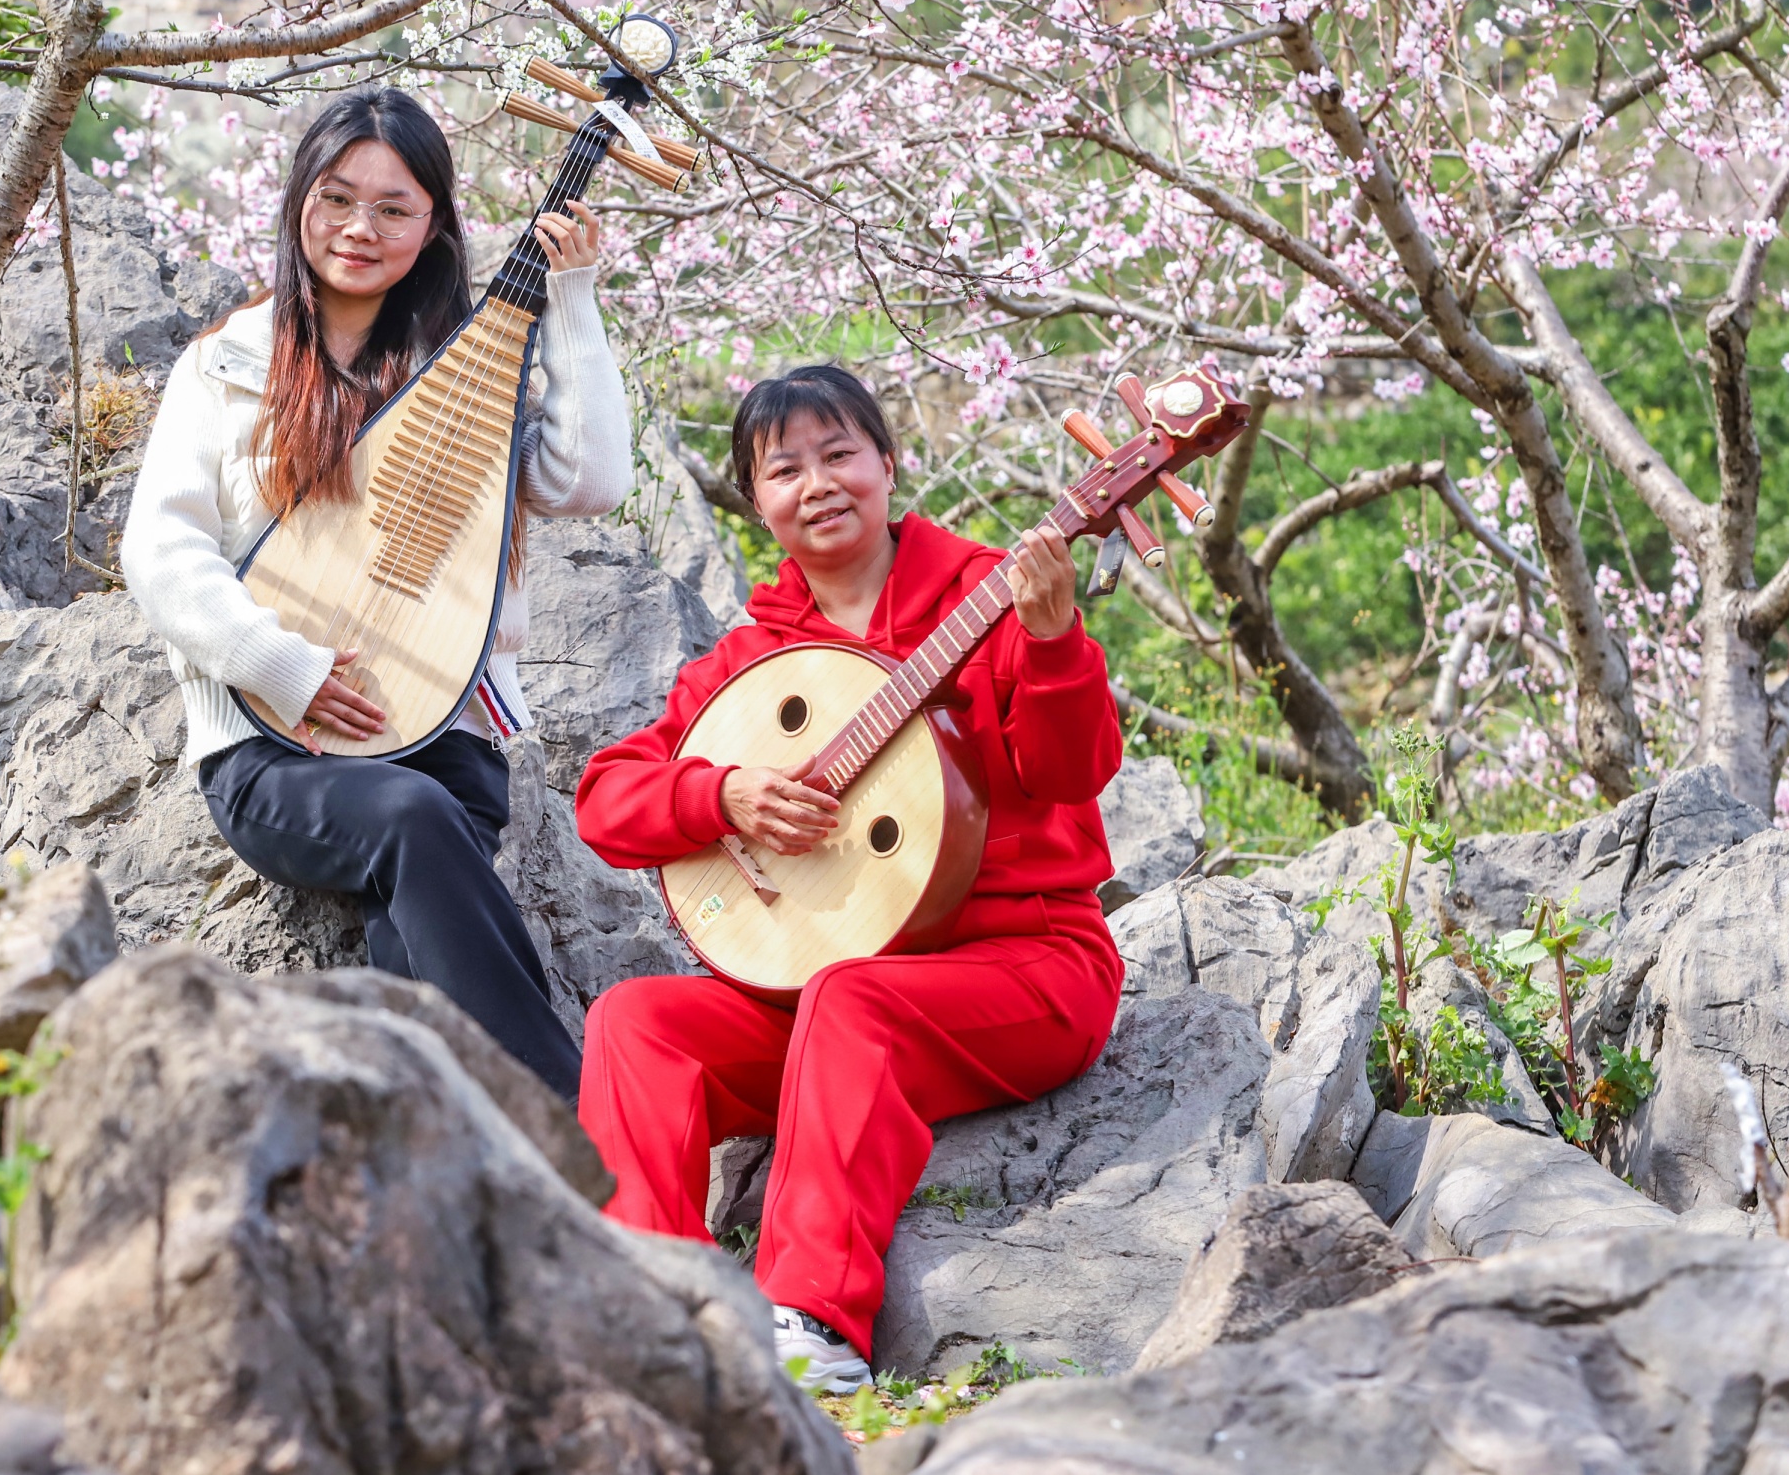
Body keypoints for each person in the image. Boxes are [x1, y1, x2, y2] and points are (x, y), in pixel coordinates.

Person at [571, 364, 1124, 1392]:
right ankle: (644, 1316)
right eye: (785, 468)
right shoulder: (751, 660)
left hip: (1026, 968)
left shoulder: (986, 594)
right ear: (753, 498)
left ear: (887, 463)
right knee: (635, 1022)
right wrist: (723, 796)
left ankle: (812, 1328)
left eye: (840, 454)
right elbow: (607, 797)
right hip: (829, 997)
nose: (818, 483)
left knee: (849, 996)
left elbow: (1072, 771)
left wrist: (1052, 641)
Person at [122, 86, 629, 1099]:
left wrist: (570, 299)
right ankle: (578, 1127)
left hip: (448, 733)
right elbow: (160, 548)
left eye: (394, 208)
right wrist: (283, 667)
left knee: (417, 1001)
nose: (361, 227)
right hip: (273, 748)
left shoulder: (465, 373)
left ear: (433, 224)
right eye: (338, 198)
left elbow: (592, 480)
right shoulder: (225, 365)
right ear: (298, 203)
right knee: (408, 814)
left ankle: (467, 1191)